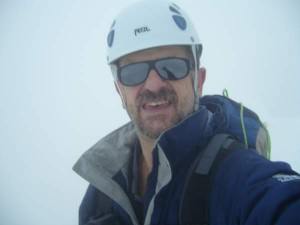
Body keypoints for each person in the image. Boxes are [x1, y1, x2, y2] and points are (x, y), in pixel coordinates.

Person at [73, 0, 300, 224]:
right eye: (133, 72)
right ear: (119, 90)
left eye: (172, 66)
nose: (153, 85)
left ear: (198, 81)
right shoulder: (102, 193)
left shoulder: (236, 174)